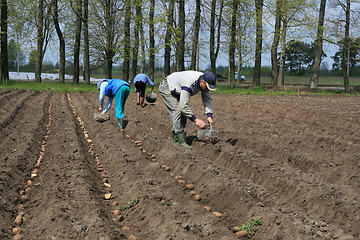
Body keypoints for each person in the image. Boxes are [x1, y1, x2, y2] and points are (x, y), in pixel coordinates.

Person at [159, 70, 216, 149]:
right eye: (207, 87)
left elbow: (207, 100)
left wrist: (209, 115)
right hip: (168, 87)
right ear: (202, 82)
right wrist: (196, 120)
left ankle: (176, 137)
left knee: (184, 116)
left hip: (178, 89)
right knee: (177, 111)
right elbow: (183, 107)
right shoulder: (189, 84)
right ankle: (181, 141)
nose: (208, 89)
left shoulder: (205, 82)